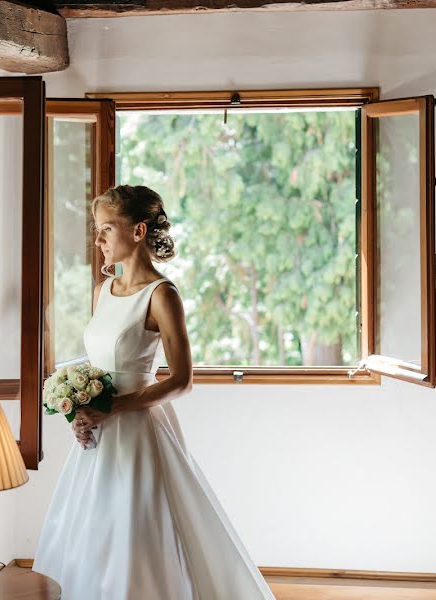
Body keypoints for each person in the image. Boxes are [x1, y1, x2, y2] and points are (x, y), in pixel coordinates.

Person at [32, 185, 277, 600]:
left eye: (107, 229)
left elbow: (182, 380)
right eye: (97, 229)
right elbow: (96, 366)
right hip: (97, 436)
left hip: (138, 432)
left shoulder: (162, 296)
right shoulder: (102, 292)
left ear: (139, 230)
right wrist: (80, 413)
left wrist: (111, 408)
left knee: (138, 530)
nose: (99, 240)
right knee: (91, 529)